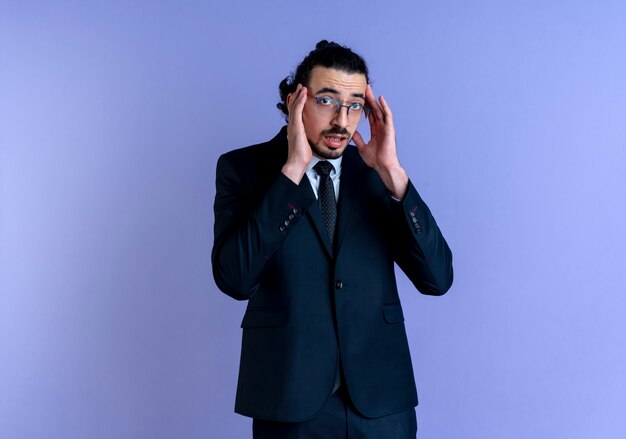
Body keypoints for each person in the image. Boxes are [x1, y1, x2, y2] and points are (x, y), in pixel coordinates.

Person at [212, 40, 453, 438]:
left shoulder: (378, 174)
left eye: (355, 104)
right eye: (327, 100)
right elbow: (235, 279)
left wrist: (393, 174)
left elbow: (438, 279)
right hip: (289, 401)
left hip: (381, 402)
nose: (342, 119)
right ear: (295, 100)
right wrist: (291, 173)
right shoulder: (244, 169)